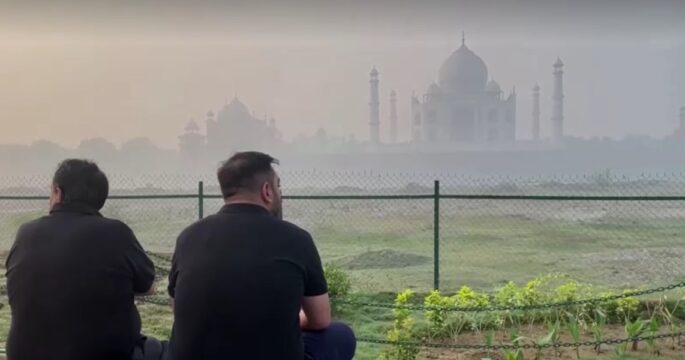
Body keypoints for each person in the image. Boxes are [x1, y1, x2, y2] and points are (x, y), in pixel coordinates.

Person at [167, 151, 356, 360]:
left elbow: (179, 312)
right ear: (267, 191)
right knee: (340, 335)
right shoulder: (296, 239)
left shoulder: (188, 237)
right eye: (278, 186)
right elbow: (320, 320)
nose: (280, 193)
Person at [5, 159, 158, 360]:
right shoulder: (116, 233)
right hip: (103, 354)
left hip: (24, 354)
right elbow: (148, 286)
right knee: (156, 349)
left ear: (58, 193)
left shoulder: (26, 233)